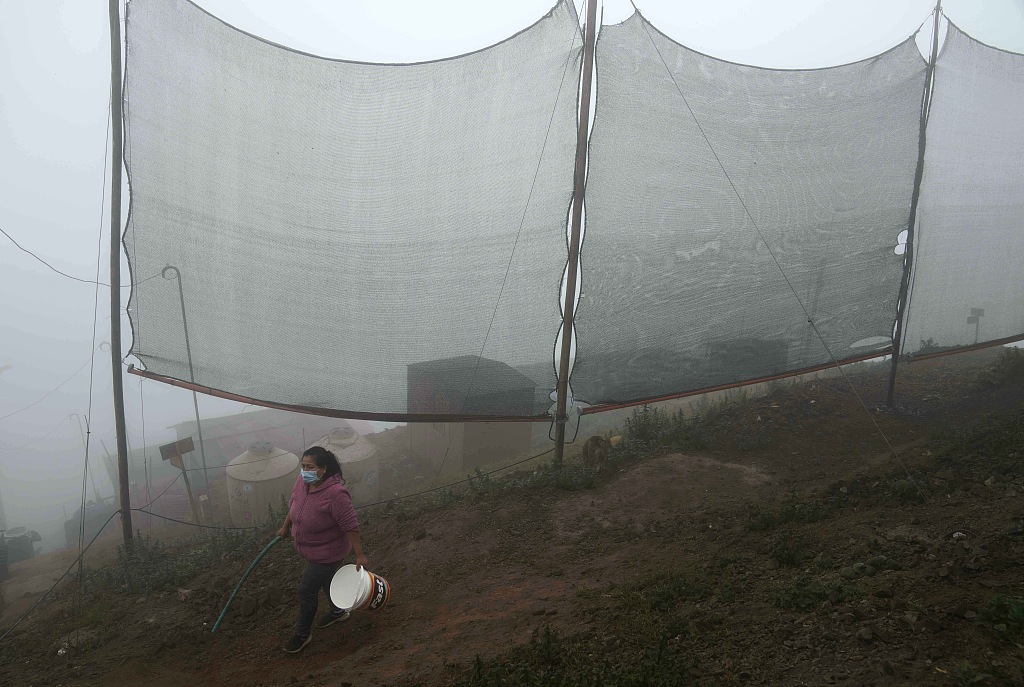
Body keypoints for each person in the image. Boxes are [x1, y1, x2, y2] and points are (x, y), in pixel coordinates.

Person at [277, 446, 369, 654]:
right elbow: (294, 505)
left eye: (309, 467)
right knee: (327, 581)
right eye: (303, 466)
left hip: (328, 553)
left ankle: (302, 635)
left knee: (307, 590)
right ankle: (338, 612)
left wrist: (360, 555)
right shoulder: (303, 482)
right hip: (310, 550)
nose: (304, 470)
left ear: (323, 469)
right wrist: (285, 527)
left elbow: (350, 526)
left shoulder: (336, 494)